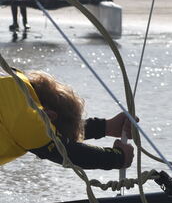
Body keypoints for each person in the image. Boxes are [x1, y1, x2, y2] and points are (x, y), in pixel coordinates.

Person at [1, 70, 134, 170]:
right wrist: (118, 158)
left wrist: (105, 127)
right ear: (49, 116)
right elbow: (66, 151)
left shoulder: (13, 80)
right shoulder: (28, 118)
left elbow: (56, 139)